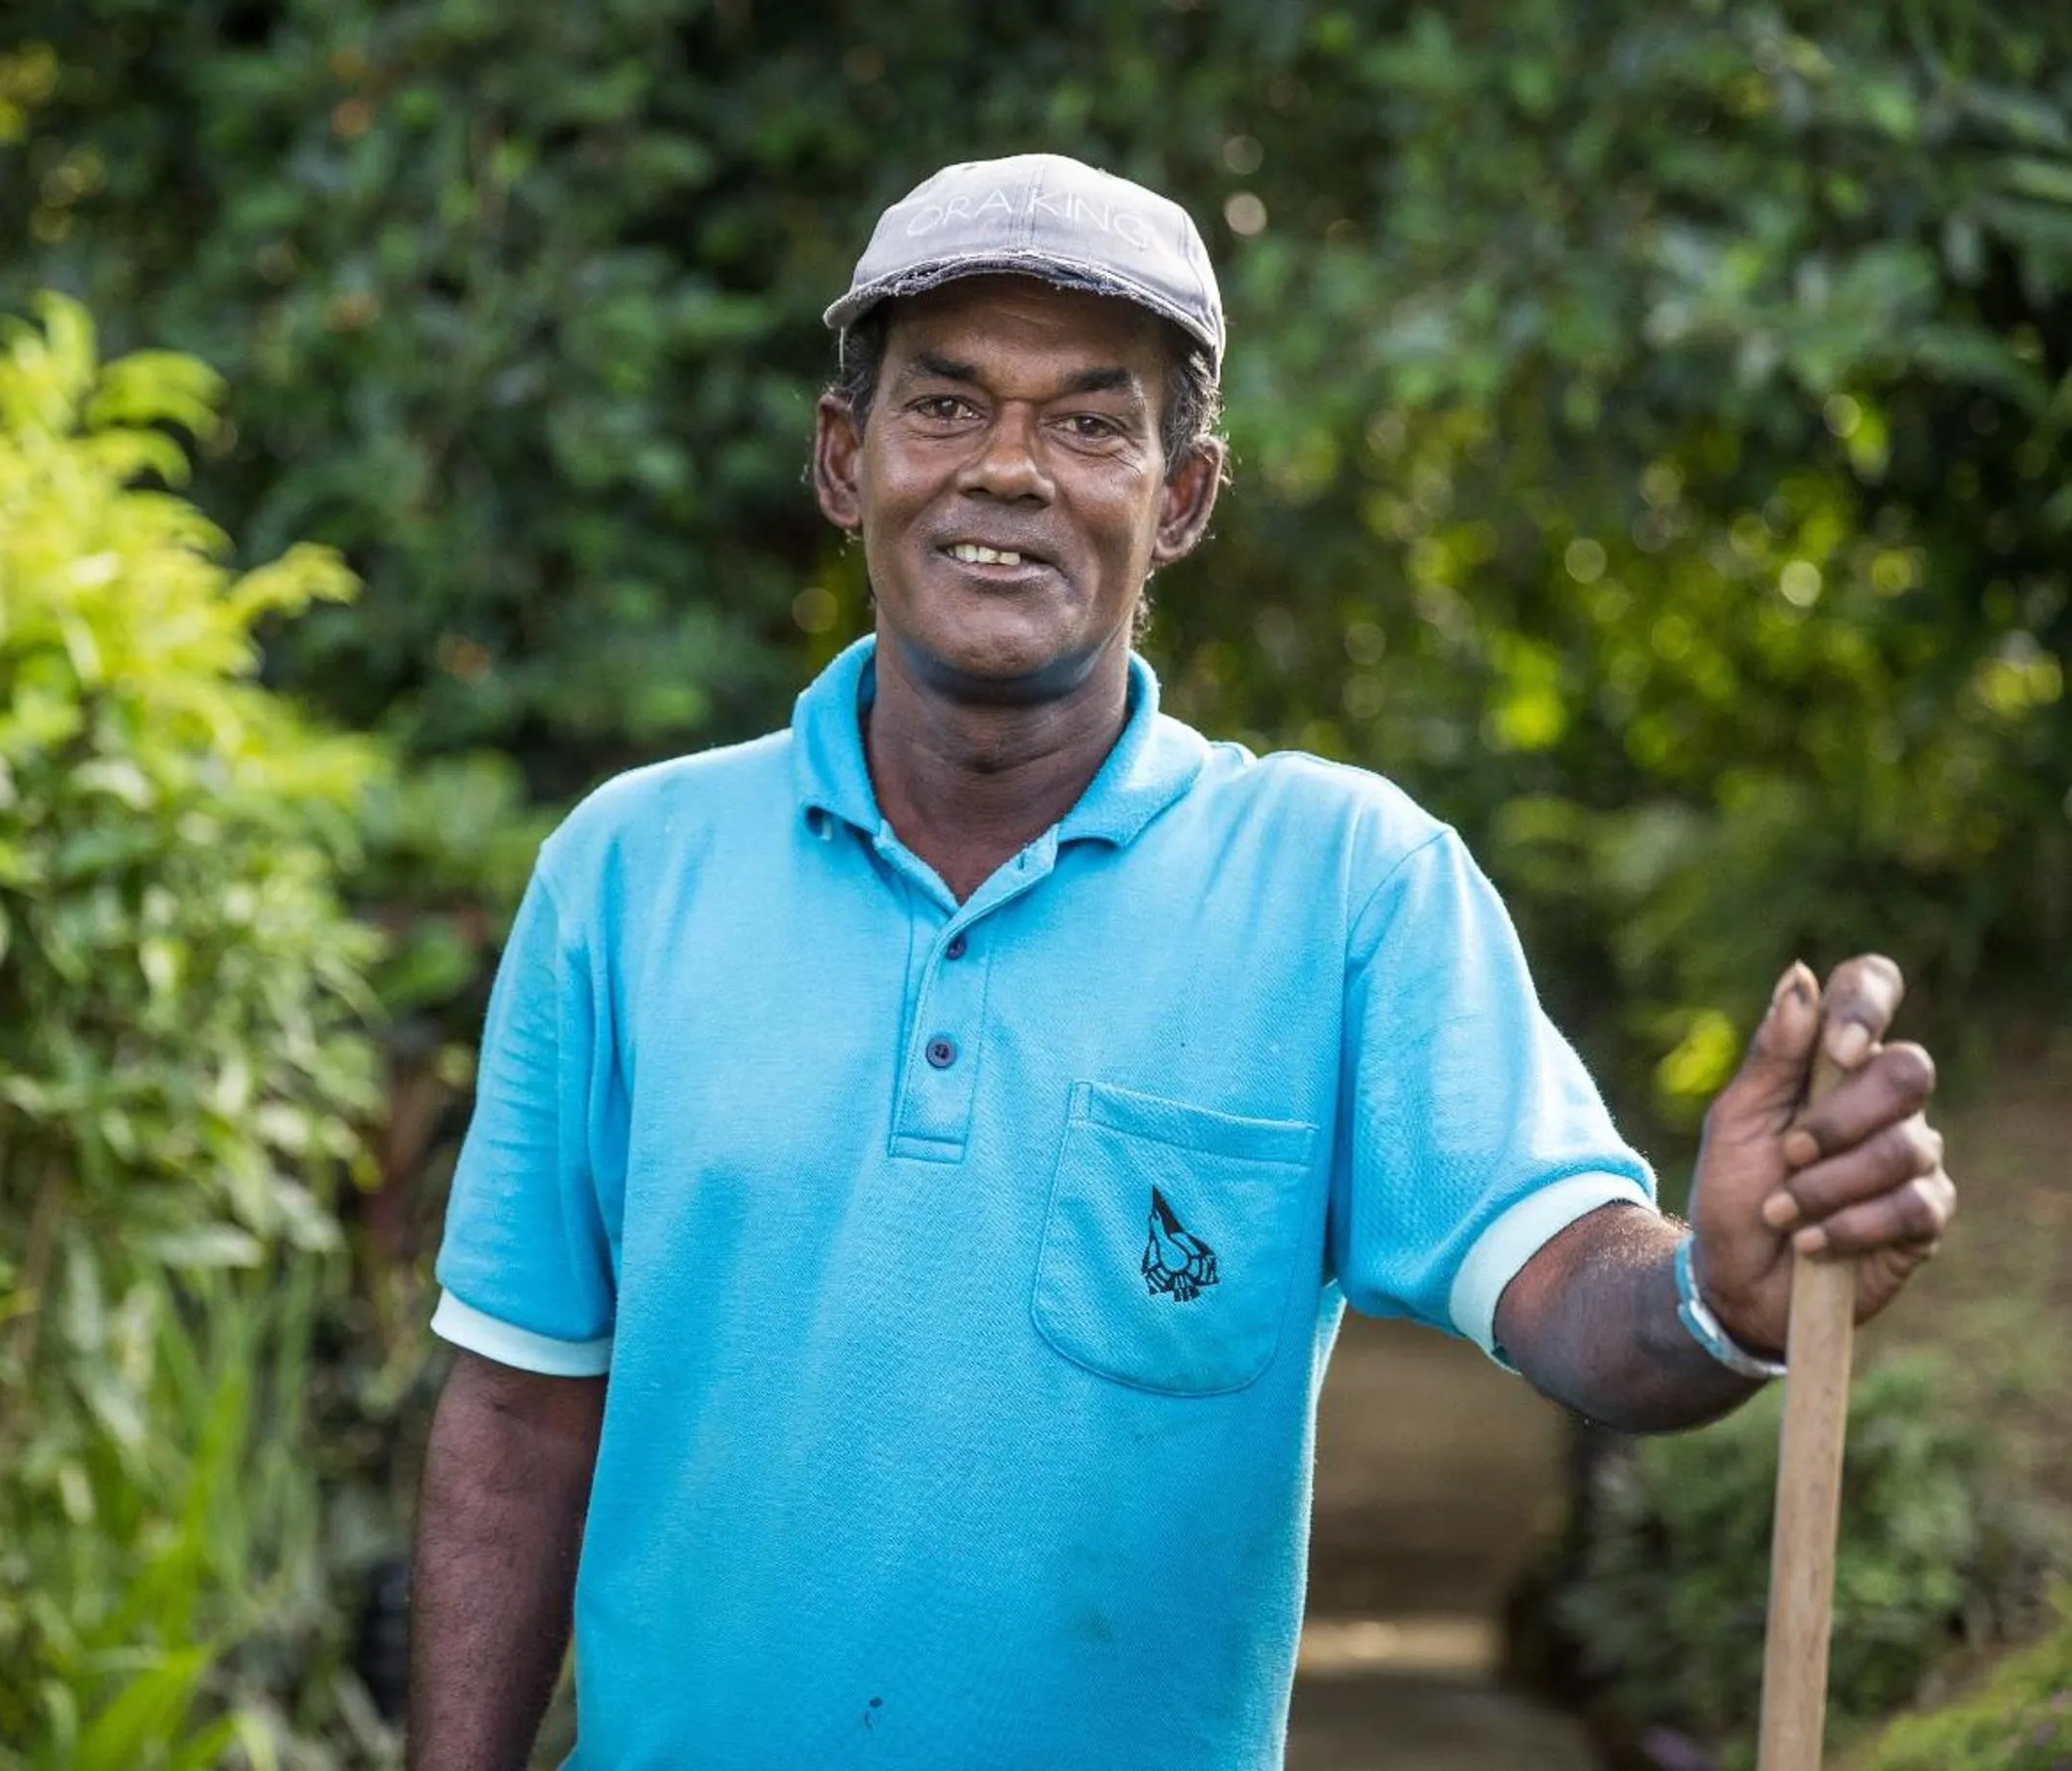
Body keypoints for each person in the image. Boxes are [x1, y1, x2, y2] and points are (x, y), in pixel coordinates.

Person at [407, 154, 1955, 1769]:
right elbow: (519, 1417)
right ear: (841, 459)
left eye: (1090, 422)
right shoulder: (626, 873)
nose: (1008, 470)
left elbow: (1575, 1290)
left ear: (1187, 495)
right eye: (945, 407)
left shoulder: (1347, 885)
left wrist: (1721, 1297)